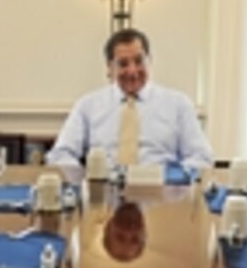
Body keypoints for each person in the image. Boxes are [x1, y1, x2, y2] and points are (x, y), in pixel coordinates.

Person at [46, 28, 214, 170]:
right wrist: (86, 181)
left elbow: (202, 157)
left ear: (150, 61)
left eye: (139, 61)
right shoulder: (87, 106)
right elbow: (61, 154)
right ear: (110, 68)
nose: (132, 71)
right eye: (123, 64)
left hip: (162, 195)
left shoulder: (178, 104)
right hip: (104, 196)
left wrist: (173, 179)